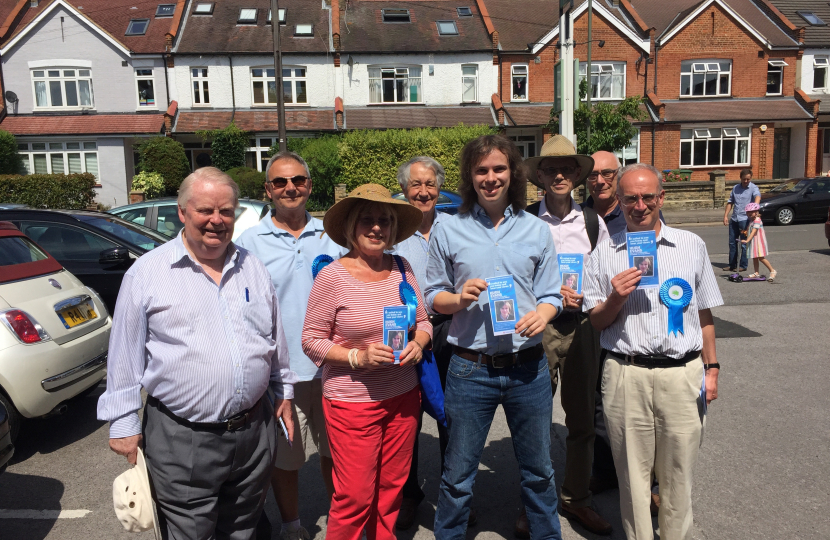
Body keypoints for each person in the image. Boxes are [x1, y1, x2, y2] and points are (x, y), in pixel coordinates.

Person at [98, 167, 297, 540]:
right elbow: (124, 354)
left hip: (254, 431)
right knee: (192, 532)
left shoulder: (252, 266)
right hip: (182, 437)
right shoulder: (147, 273)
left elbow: (274, 339)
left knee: (243, 527)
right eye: (206, 210)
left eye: (226, 211)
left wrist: (283, 390)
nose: (217, 221)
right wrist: (123, 422)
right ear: (183, 211)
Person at [426, 134, 564, 540]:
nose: (491, 178)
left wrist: (543, 313)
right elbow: (433, 295)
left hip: (528, 369)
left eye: (499, 169)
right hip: (471, 370)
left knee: (539, 472)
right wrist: (457, 297)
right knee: (457, 475)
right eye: (481, 170)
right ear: (470, 176)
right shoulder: (448, 230)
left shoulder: (537, 230)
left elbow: (552, 293)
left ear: (513, 173)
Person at [583, 163, 723, 540]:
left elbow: (704, 312)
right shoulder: (604, 250)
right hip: (627, 373)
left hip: (683, 372)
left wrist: (712, 369)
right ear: (620, 200)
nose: (639, 205)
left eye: (647, 197)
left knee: (679, 473)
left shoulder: (691, 245)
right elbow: (596, 322)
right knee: (632, 475)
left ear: (661, 198)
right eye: (630, 198)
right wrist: (616, 297)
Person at [302, 184, 432, 540]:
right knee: (355, 497)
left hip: (403, 397)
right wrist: (356, 357)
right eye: (367, 220)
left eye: (384, 221)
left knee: (391, 490)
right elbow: (311, 341)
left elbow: (422, 320)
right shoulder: (332, 276)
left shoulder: (401, 267)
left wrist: (419, 344)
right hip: (352, 403)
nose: (377, 228)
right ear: (351, 227)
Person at [236, 151, 348, 540]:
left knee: (336, 454)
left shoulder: (333, 236)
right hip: (281, 374)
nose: (290, 188)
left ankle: (340, 524)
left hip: (335, 367)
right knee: (286, 459)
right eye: (281, 182)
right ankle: (292, 525)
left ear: (310, 186)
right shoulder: (248, 242)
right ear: (268, 190)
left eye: (298, 180)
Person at [521, 135, 612, 537]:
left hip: (581, 327)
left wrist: (585, 296)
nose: (559, 175)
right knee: (534, 421)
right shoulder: (522, 220)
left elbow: (606, 276)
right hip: (539, 330)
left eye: (566, 169)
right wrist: (544, 296)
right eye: (550, 169)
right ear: (539, 175)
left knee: (581, 420)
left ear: (577, 174)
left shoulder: (593, 222)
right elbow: (512, 274)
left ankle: (577, 499)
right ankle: (534, 504)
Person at [391, 156, 464, 530]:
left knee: (453, 419)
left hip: (451, 330)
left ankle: (455, 499)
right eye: (416, 185)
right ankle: (408, 496)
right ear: (404, 189)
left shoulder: (458, 227)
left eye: (430, 184)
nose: (423, 191)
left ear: (439, 188)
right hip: (405, 336)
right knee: (408, 420)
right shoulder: (391, 230)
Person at [723, 168, 761, 272]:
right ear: (740, 178)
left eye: (748, 179)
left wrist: (755, 207)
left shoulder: (753, 188)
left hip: (745, 219)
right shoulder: (735, 188)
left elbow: (757, 196)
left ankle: (743, 265)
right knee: (732, 243)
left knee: (744, 243)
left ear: (750, 178)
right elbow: (730, 202)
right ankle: (732, 265)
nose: (746, 181)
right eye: (744, 179)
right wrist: (726, 215)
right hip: (735, 218)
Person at [584, 151, 626, 236]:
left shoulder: (635, 214)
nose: (600, 181)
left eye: (607, 173)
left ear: (619, 176)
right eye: (593, 175)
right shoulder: (576, 215)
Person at [741, 202, 776, 282]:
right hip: (754, 242)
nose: (749, 214)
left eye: (751, 212)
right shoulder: (752, 220)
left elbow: (754, 232)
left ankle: (772, 270)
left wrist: (747, 240)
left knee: (761, 258)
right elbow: (750, 230)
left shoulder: (757, 220)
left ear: (756, 212)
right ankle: (756, 272)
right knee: (755, 257)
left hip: (758, 242)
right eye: (748, 212)